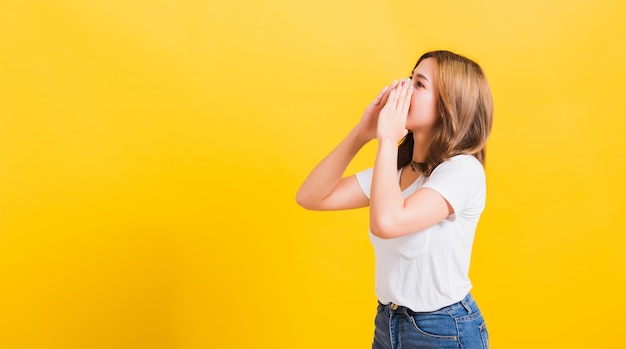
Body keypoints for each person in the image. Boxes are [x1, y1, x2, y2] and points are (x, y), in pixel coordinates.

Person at [296, 50, 493, 349]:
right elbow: (311, 196)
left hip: (444, 331)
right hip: (389, 323)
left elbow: (387, 222)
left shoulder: (463, 171)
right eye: (410, 77)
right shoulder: (397, 172)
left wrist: (387, 139)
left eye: (419, 84)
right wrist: (361, 134)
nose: (403, 88)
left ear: (448, 106)